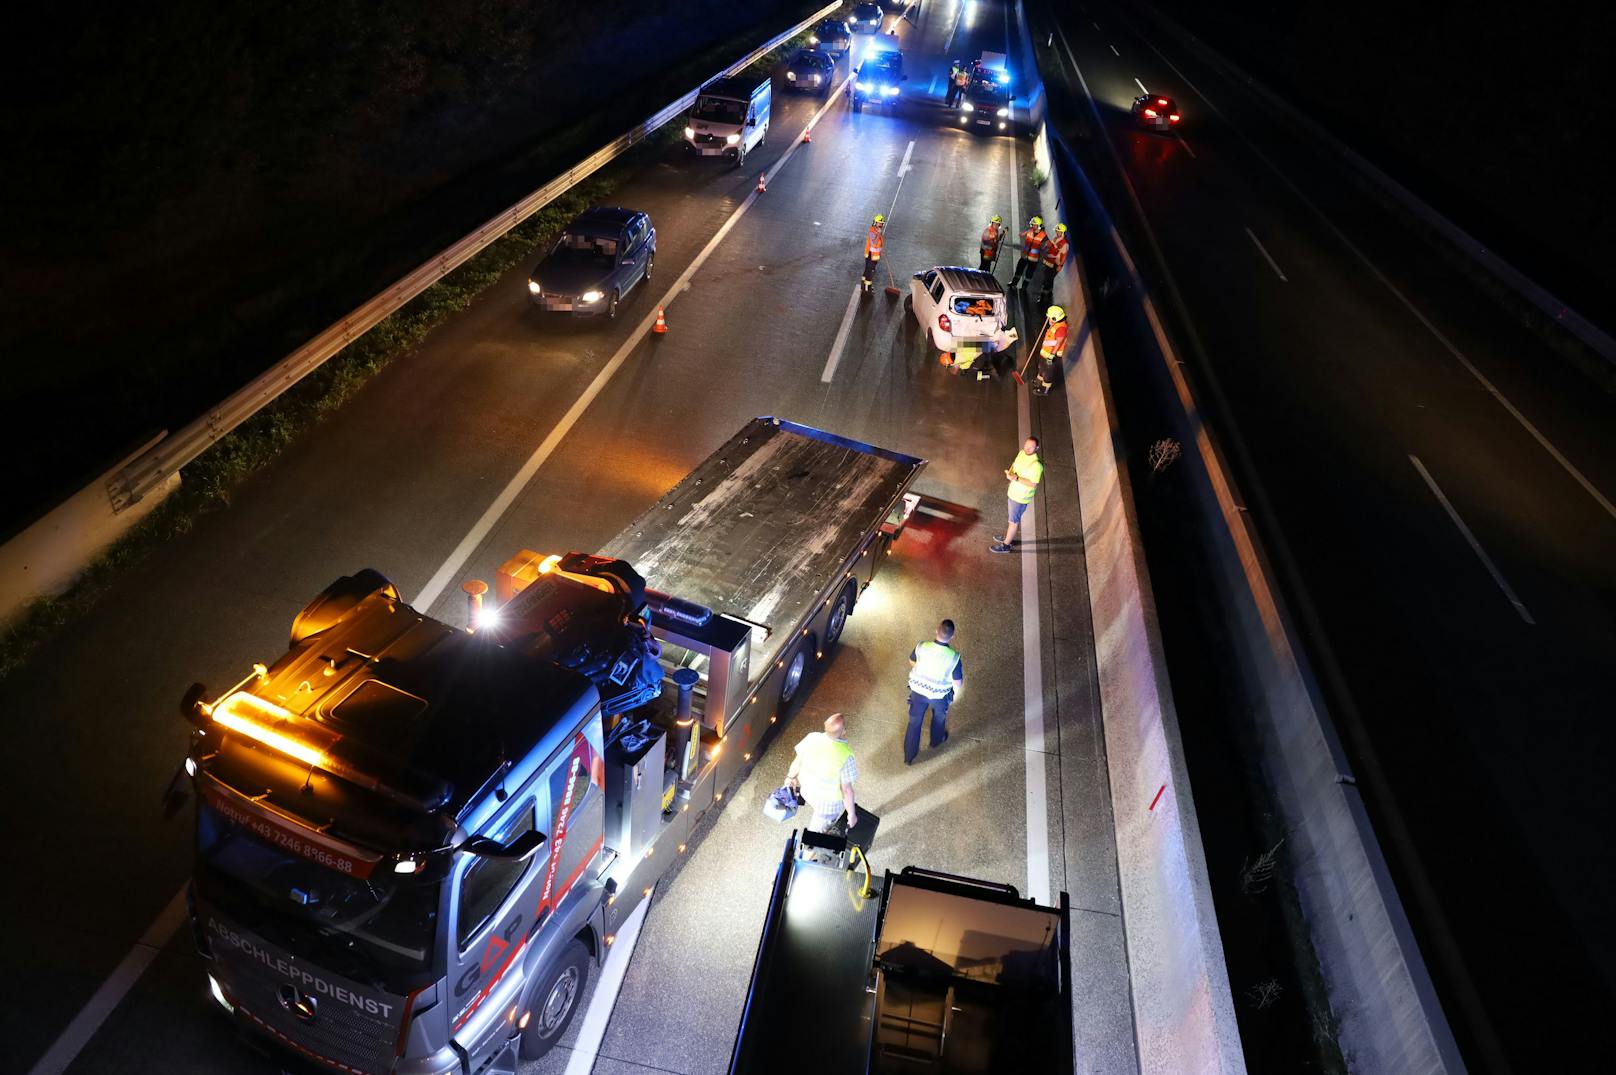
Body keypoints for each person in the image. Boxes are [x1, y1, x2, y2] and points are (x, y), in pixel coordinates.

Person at [786, 713, 859, 833]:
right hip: (827, 805)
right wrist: (851, 814)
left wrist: (790, 776)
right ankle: (808, 850)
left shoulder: (812, 737)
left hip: (808, 791)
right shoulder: (846, 755)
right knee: (815, 837)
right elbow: (846, 790)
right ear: (843, 731)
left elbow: (798, 760)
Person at [906, 620, 964, 764]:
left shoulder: (922, 646)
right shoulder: (954, 657)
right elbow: (958, 682)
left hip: (918, 692)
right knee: (939, 718)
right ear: (952, 636)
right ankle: (936, 740)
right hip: (939, 695)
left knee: (914, 722)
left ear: (936, 630)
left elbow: (912, 660)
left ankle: (909, 755)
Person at [991, 436, 1043, 553]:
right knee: (1011, 519)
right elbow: (1014, 465)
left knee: (1013, 522)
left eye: (1032, 447)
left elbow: (1033, 484)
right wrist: (1010, 475)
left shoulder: (1037, 465)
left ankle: (1006, 546)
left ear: (1037, 448)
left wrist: (1017, 478)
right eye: (1026, 445)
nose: (1028, 449)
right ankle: (1008, 538)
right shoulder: (1021, 453)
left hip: (1020, 498)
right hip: (1013, 493)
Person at [1034, 305, 1069, 395]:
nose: (1048, 320)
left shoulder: (1061, 328)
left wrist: (1051, 355)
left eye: (1050, 318)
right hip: (1045, 352)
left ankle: (1044, 389)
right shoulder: (1056, 324)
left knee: (1048, 373)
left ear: (1055, 318)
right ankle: (1038, 381)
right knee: (1041, 368)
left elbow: (1058, 343)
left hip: (1051, 356)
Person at [1037, 222, 1069, 306]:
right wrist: (1044, 237)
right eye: (1056, 231)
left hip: (1055, 264)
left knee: (1047, 280)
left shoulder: (1064, 244)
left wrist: (1060, 265)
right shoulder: (1056, 239)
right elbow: (1049, 245)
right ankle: (1049, 292)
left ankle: (1043, 297)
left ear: (1062, 232)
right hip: (1049, 261)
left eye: (1058, 231)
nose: (1056, 232)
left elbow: (1064, 256)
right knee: (1048, 279)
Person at [1009, 216, 1046, 288]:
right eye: (1032, 224)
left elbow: (1046, 247)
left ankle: (1024, 287)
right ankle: (1014, 283)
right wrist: (1022, 234)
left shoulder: (1043, 235)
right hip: (1024, 256)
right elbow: (1026, 234)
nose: (1033, 226)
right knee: (1019, 270)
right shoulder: (1030, 231)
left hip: (1033, 259)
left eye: (1035, 224)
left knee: (1029, 274)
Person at [862, 214, 885, 293]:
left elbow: (879, 242)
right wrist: (879, 234)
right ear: (875, 222)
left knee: (867, 270)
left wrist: (881, 248)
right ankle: (867, 289)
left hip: (874, 256)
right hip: (871, 255)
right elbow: (874, 244)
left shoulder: (876, 231)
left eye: (882, 223)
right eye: (879, 223)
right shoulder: (872, 231)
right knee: (870, 272)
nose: (881, 225)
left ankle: (863, 284)